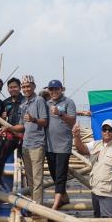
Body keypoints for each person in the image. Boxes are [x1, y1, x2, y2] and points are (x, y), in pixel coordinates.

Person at [1, 75, 48, 205]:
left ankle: (37, 208)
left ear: (33, 86)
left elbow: (45, 121)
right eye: (24, 87)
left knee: (37, 178)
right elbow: (22, 125)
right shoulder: (24, 104)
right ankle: (34, 204)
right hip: (26, 144)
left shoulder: (39, 100)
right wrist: (8, 128)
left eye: (28, 86)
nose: (26, 89)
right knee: (30, 178)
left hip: (37, 144)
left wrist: (34, 120)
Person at [45, 80, 76, 210]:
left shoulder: (69, 102)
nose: (53, 92)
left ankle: (56, 204)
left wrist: (60, 114)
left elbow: (73, 120)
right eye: (51, 90)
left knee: (61, 174)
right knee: (53, 174)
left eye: (56, 89)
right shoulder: (46, 104)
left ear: (62, 89)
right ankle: (64, 198)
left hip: (63, 145)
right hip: (49, 145)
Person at [0, 77, 24, 189]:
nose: (13, 89)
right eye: (10, 87)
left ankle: (30, 183)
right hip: (10, 136)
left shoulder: (25, 101)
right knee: (0, 158)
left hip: (24, 137)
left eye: (15, 87)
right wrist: (2, 118)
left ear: (20, 88)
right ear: (8, 89)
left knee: (27, 161)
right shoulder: (5, 103)